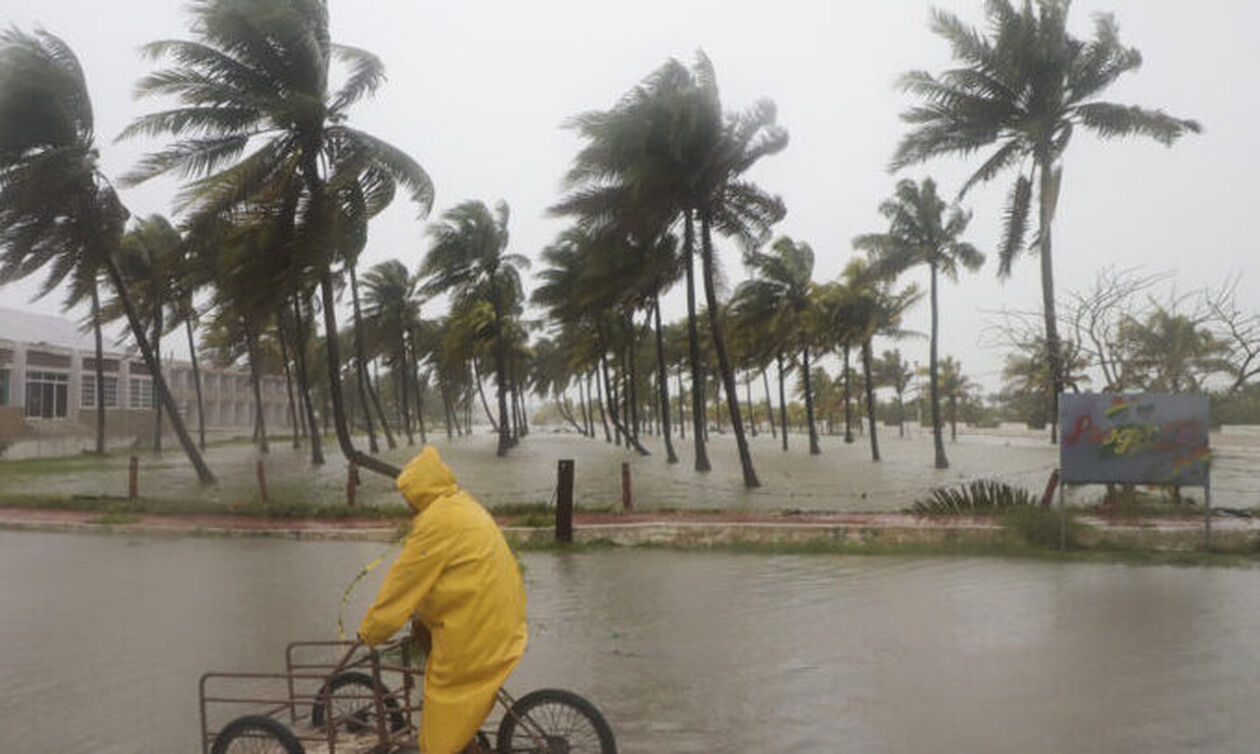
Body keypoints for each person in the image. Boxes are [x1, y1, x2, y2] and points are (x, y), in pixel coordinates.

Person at [358, 445, 528, 754]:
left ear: (420, 491)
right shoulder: (462, 504)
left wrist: (371, 631)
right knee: (430, 645)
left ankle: (451, 743)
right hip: (502, 616)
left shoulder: (435, 523)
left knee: (440, 726)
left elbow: (402, 585)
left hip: (477, 630)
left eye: (408, 495)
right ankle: (467, 740)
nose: (407, 503)